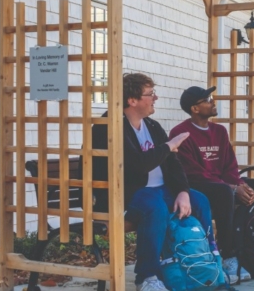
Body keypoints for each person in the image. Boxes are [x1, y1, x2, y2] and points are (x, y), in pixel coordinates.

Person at [91, 73, 218, 291]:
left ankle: (205, 262)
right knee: (155, 208)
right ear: (132, 100)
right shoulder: (109, 126)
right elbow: (136, 165)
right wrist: (170, 145)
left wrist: (183, 191)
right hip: (127, 195)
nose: (155, 98)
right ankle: (147, 277)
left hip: (161, 191)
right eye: (150, 94)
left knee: (200, 201)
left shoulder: (151, 125)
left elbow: (174, 164)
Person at [170, 85, 254, 281]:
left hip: (224, 183)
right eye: (207, 100)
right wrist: (233, 189)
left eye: (211, 97)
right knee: (224, 192)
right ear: (194, 109)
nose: (213, 102)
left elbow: (230, 165)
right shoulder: (181, 132)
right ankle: (228, 256)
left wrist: (240, 184)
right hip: (198, 187)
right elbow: (192, 173)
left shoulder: (219, 131)